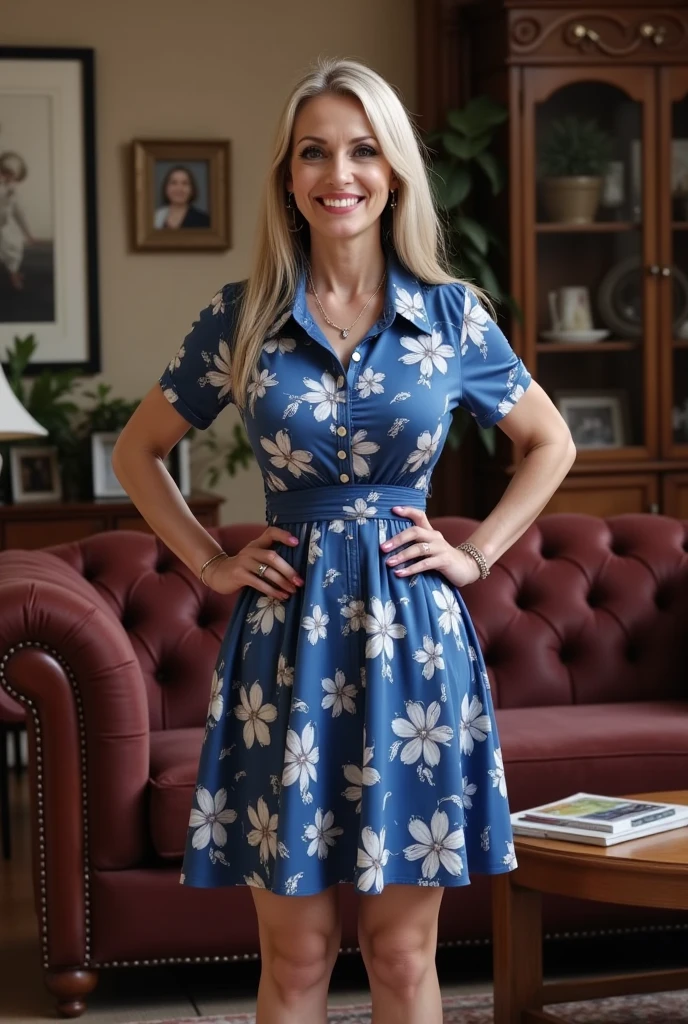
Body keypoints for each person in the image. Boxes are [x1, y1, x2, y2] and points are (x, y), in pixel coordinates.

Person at [113, 56, 575, 1024]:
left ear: (395, 170)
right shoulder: (237, 318)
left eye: (363, 149)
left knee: (403, 954)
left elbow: (547, 440)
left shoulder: (451, 315)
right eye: (314, 151)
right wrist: (207, 559)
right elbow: (139, 451)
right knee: (297, 954)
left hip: (414, 648)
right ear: (287, 176)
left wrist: (477, 552)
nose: (340, 172)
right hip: (284, 648)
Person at [0, 151, 34, 290]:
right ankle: (13, 275)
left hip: (4, 224)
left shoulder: (12, 190)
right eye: (6, 173)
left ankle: (14, 272)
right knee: (7, 247)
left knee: (14, 245)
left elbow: (18, 212)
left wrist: (27, 233)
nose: (9, 178)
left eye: (13, 176)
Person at [154, 164, 210, 229]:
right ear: (166, 188)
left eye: (185, 183)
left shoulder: (204, 220)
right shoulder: (154, 218)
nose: (179, 188)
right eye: (173, 183)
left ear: (192, 189)